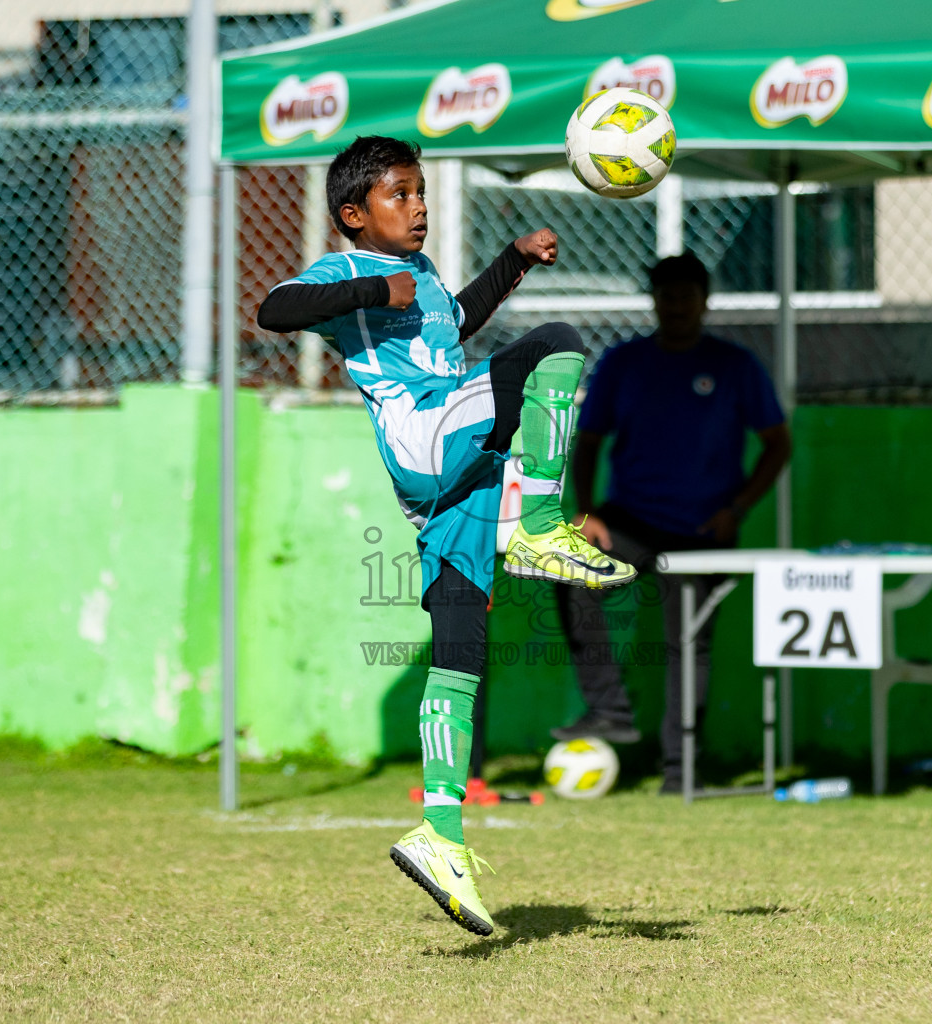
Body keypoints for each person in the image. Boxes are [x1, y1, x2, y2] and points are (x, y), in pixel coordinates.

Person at [255, 136, 636, 937]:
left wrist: (513, 259)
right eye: (400, 195)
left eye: (421, 193)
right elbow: (274, 308)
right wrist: (373, 286)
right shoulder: (345, 270)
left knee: (459, 646)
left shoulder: (423, 277)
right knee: (557, 345)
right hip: (425, 435)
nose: (419, 206)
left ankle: (440, 836)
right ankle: (539, 525)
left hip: (450, 475)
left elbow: (456, 321)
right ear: (354, 215)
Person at [553, 251, 791, 794]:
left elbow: (778, 445)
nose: (677, 305)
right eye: (667, 295)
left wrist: (737, 509)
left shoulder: (735, 367)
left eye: (687, 295)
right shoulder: (622, 363)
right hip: (630, 520)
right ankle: (609, 709)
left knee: (690, 646)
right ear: (654, 302)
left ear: (705, 301)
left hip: (704, 530)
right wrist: (586, 512)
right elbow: (588, 442)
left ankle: (680, 773)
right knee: (569, 573)